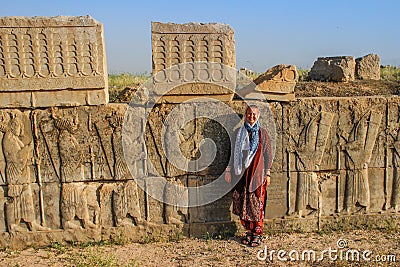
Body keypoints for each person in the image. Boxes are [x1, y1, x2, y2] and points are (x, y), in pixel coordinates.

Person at [224, 104, 273, 247]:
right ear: (245, 115)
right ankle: (249, 231)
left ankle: (257, 233)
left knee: (256, 202)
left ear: (258, 116)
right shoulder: (238, 134)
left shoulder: (263, 134)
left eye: (254, 114)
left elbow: (268, 155)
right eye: (249, 114)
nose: (251, 116)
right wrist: (228, 171)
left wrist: (267, 173)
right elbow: (232, 153)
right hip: (241, 175)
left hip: (257, 175)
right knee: (243, 202)